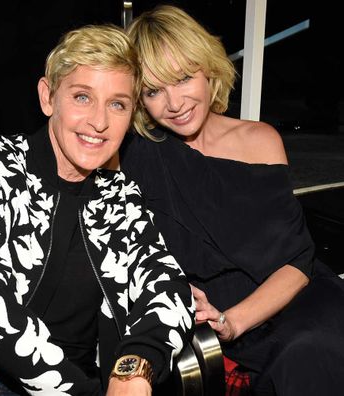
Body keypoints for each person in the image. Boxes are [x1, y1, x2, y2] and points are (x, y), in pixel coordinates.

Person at [0, 24, 195, 396]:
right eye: (82, 97)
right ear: (48, 97)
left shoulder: (120, 195)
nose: (99, 122)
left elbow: (168, 287)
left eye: (117, 104)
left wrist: (132, 372)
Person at [120, 5, 344, 395]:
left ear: (208, 69)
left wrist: (233, 320)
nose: (174, 103)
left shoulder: (260, 140)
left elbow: (298, 262)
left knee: (312, 349)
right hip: (208, 319)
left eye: (184, 78)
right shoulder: (139, 155)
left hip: (293, 300)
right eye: (154, 91)